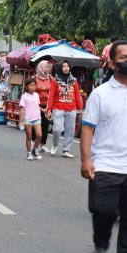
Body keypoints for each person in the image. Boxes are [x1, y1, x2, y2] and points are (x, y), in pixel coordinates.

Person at [80, 40, 127, 253]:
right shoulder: (100, 94)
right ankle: (100, 246)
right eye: (124, 58)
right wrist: (86, 159)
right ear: (112, 64)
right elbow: (88, 128)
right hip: (106, 165)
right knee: (104, 212)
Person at [46, 60, 83, 158]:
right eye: (64, 66)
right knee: (57, 129)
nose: (66, 68)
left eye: (67, 66)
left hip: (71, 109)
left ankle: (66, 150)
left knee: (70, 130)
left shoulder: (73, 81)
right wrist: (49, 109)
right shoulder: (55, 81)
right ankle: (54, 145)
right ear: (60, 68)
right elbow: (51, 96)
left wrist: (80, 109)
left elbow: (77, 95)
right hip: (58, 108)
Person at [18, 78, 43, 161]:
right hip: (28, 119)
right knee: (29, 136)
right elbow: (22, 109)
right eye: (31, 85)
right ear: (26, 87)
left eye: (34, 85)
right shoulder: (24, 96)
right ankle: (29, 153)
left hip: (37, 117)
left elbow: (37, 105)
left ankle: (34, 150)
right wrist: (20, 121)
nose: (33, 87)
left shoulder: (36, 95)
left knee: (39, 135)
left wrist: (44, 110)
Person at [32, 60, 53, 153]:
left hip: (47, 105)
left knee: (45, 125)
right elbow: (31, 93)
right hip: (36, 105)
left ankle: (43, 145)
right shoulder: (34, 78)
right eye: (46, 67)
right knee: (36, 124)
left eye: (49, 67)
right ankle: (33, 142)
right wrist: (40, 108)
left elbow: (53, 93)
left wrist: (48, 108)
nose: (48, 69)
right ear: (41, 67)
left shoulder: (51, 79)